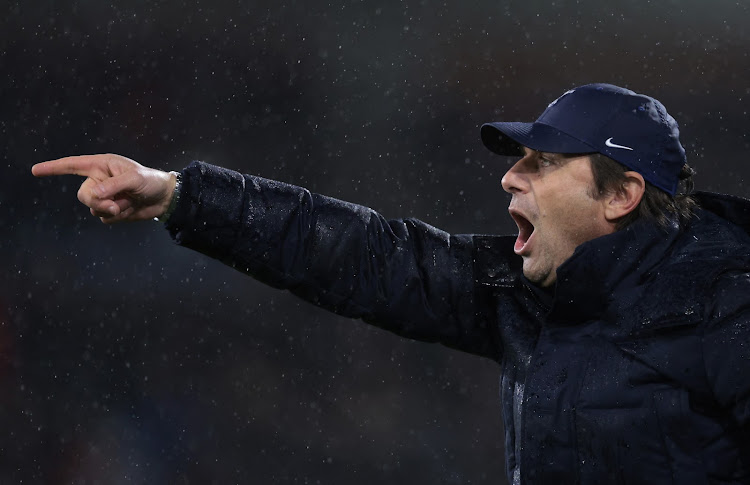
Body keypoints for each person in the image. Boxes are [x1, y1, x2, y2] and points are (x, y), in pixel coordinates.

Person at [32, 83, 750, 484]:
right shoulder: (532, 294)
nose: (510, 176)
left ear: (621, 194)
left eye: (543, 163)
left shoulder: (727, 299)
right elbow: (363, 256)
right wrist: (178, 196)